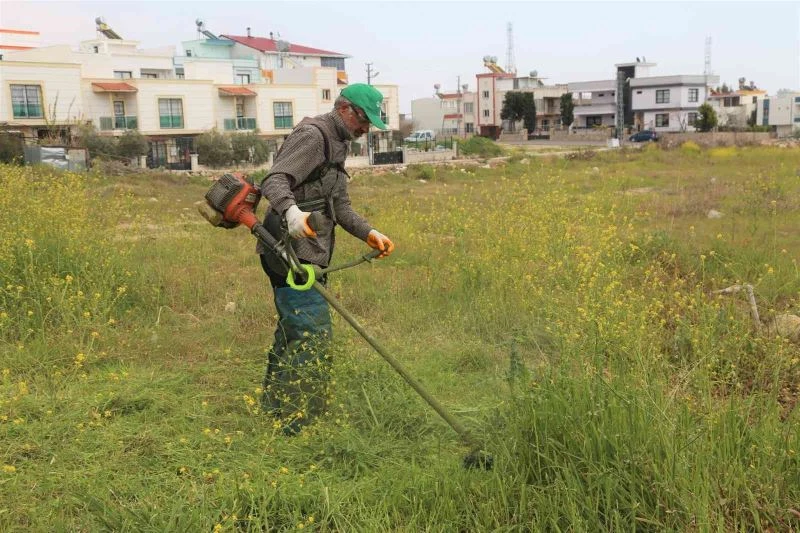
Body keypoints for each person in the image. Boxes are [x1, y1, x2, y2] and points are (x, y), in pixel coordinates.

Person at [257, 83, 395, 434]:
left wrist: (369, 233)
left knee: (293, 331)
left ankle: (274, 407)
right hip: (287, 252)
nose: (366, 130)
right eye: (365, 120)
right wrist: (291, 213)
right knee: (312, 334)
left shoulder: (339, 144)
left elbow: (341, 207)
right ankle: (298, 423)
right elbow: (274, 181)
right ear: (346, 109)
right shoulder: (313, 136)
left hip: (310, 254)